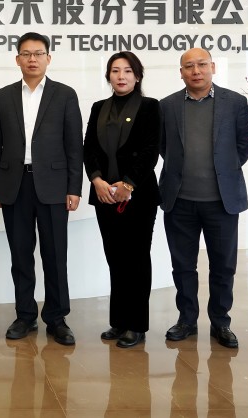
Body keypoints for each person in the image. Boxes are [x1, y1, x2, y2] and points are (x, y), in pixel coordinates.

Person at [0, 32, 83, 346]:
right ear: (17, 59)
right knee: (20, 255)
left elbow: (74, 145)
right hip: (15, 186)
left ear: (48, 58)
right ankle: (25, 315)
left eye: (38, 53)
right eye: (26, 54)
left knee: (55, 255)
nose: (32, 59)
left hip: (54, 187)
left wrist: (74, 187)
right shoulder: (3, 97)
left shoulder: (65, 95)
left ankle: (57, 318)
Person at [159, 48, 248, 349]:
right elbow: (164, 148)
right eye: (189, 66)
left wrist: (222, 172)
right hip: (179, 200)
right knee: (183, 266)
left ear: (213, 67)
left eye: (201, 65)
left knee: (223, 266)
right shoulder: (167, 106)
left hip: (222, 201)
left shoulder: (235, 102)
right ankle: (186, 320)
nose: (196, 71)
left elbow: (243, 147)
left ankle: (220, 322)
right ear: (181, 72)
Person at [83, 51, 160, 348]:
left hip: (138, 196)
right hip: (104, 194)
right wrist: (97, 180)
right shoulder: (98, 107)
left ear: (137, 76)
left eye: (128, 71)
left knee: (136, 258)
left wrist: (128, 184)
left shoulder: (150, 107)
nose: (121, 76)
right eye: (115, 71)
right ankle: (119, 320)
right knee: (115, 257)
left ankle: (137, 324)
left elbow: (150, 150)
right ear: (108, 76)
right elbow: (89, 148)